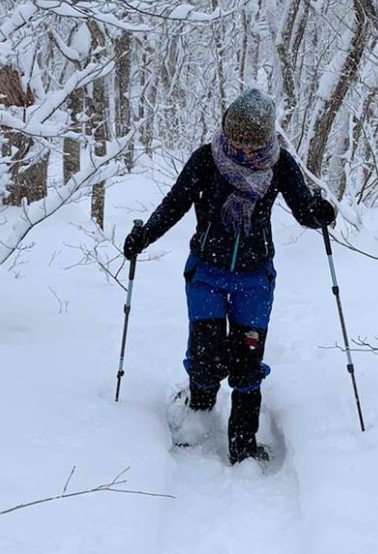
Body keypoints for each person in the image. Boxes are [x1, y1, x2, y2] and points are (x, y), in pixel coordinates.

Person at [123, 88, 336, 464]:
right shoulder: (207, 160)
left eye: (253, 144)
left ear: (267, 138)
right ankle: (198, 415)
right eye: (238, 140)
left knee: (247, 362)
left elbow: (304, 210)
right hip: (207, 271)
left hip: (254, 278)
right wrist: (145, 235)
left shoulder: (280, 166)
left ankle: (243, 445)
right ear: (226, 129)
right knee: (205, 356)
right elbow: (175, 203)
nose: (245, 150)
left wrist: (319, 212)